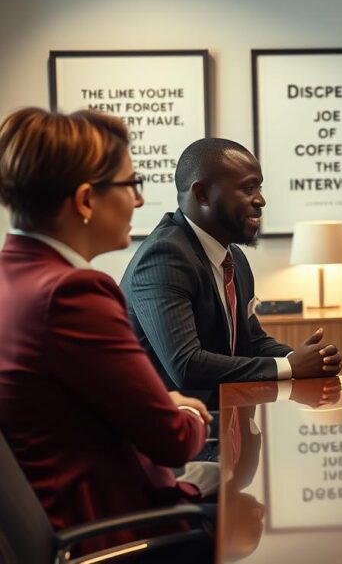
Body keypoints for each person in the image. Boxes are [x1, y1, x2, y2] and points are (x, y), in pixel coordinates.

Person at [0, 107, 211, 554]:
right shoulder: (73, 293)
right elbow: (172, 440)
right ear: (84, 201)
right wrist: (189, 413)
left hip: (68, 524)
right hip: (118, 533)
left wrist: (165, 406)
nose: (138, 201)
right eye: (131, 184)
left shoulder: (12, 277)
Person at [121, 138, 341, 410]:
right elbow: (186, 365)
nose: (260, 200)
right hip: (174, 438)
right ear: (202, 194)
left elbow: (253, 341)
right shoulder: (165, 257)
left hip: (228, 422)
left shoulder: (232, 257)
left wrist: (304, 359)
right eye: (248, 188)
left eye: (259, 187)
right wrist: (288, 366)